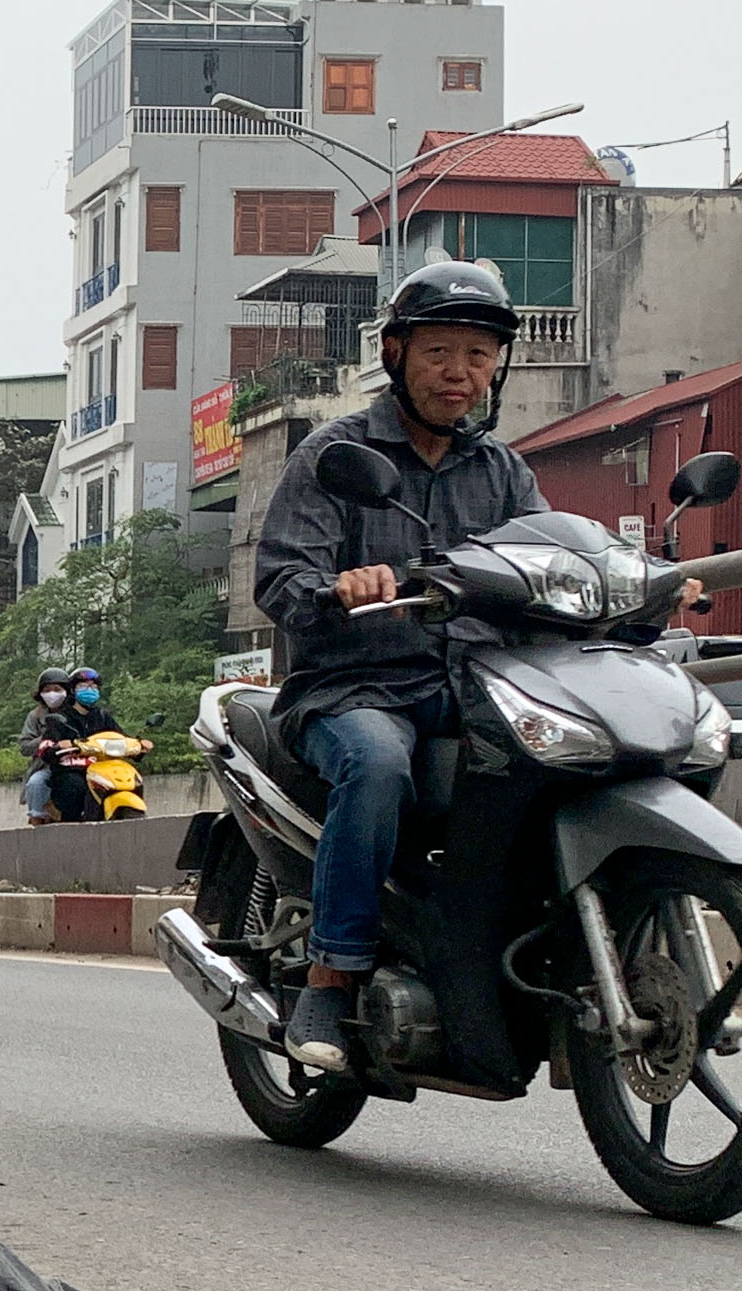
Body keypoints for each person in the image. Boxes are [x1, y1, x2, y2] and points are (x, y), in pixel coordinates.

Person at [252, 259, 543, 1074]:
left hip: (473, 690)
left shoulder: (502, 471)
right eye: (440, 352)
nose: (460, 374)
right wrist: (338, 587)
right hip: (354, 688)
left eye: (479, 355)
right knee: (378, 766)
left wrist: (639, 581)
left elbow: (548, 554)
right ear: (394, 354)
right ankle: (331, 974)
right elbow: (278, 578)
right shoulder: (335, 454)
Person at [20, 666, 117, 824]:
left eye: (57, 689)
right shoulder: (36, 716)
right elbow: (25, 746)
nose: (52, 694)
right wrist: (49, 741)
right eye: (48, 690)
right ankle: (36, 818)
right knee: (36, 783)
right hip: (49, 765)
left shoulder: (83, 712)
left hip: (84, 762)